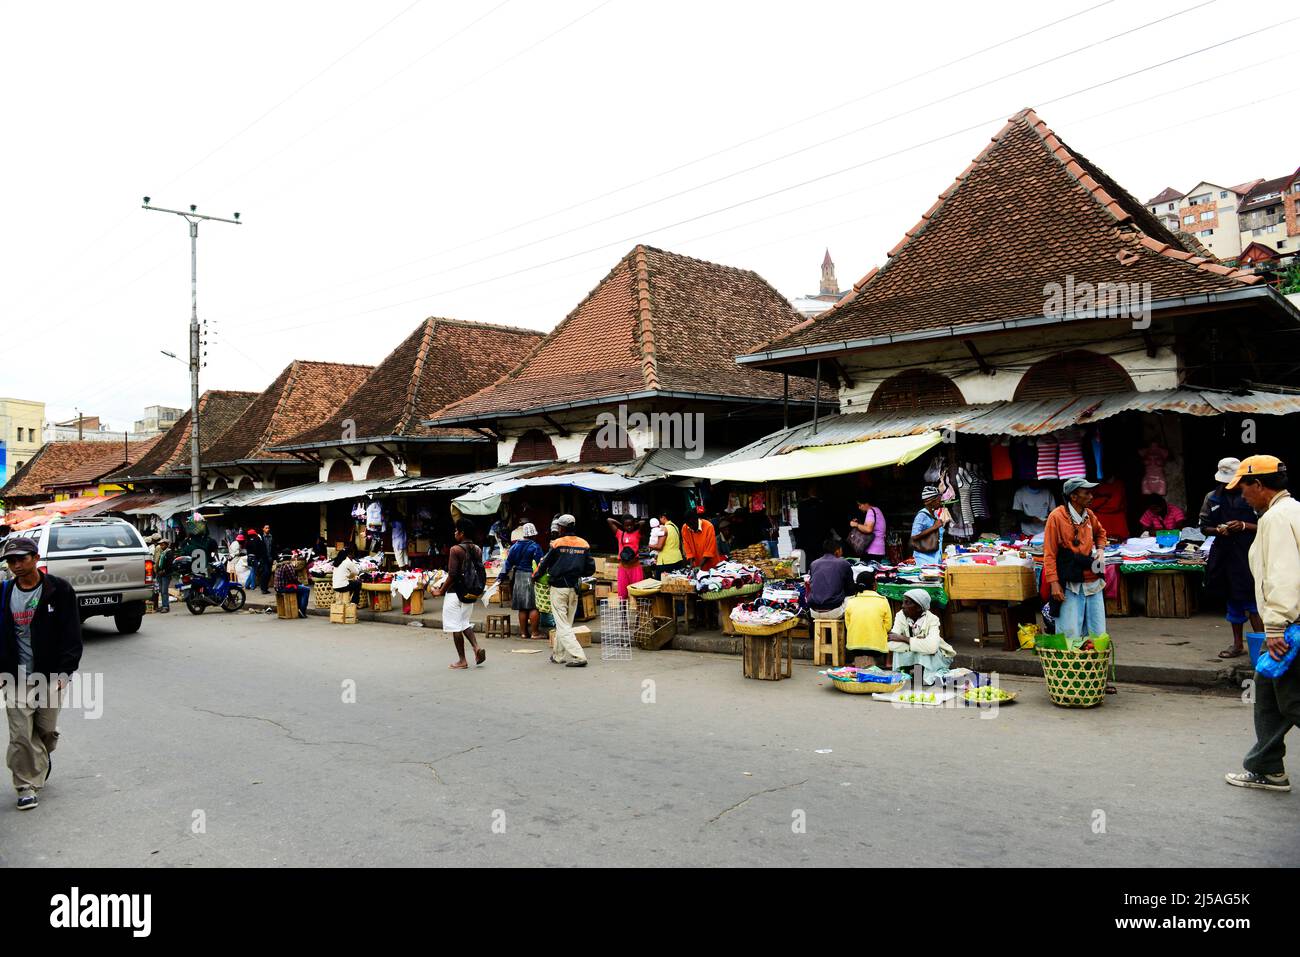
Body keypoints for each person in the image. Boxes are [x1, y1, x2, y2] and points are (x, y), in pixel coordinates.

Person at [1223, 455, 1300, 792]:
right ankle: (1267, 767)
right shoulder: (1291, 511)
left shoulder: (1278, 519)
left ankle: (1266, 767)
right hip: (1290, 622)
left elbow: (1284, 576)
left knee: (1292, 702)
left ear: (1259, 484)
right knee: (1267, 692)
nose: (1242, 496)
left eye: (1244, 489)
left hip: (1290, 626)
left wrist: (1275, 627)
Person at [1, 536, 83, 811]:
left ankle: (41, 758)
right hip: (15, 675)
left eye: (21, 559)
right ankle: (25, 785)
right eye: (11, 561)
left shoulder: (58, 590)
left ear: (36, 558)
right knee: (20, 733)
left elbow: (71, 633)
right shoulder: (3, 594)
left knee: (45, 730)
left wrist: (65, 671)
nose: (16, 565)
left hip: (49, 674)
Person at [1200, 458, 1263, 659]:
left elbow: (1268, 524)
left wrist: (1244, 526)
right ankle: (1237, 645)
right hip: (1225, 554)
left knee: (1254, 602)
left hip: (1249, 553)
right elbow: (1203, 527)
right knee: (1233, 599)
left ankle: (1263, 646)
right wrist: (1218, 530)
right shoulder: (1212, 498)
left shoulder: (1253, 495)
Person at [1043, 477, 1109, 647]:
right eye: (1086, 493)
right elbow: (1049, 553)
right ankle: (1070, 669)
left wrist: (1100, 549)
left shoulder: (1089, 515)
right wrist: (1054, 583)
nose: (1091, 496)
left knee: (1097, 632)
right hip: (1069, 579)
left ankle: (1092, 670)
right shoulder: (1056, 517)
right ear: (1074, 496)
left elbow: (1101, 534)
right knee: (1069, 632)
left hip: (1092, 579)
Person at [533, 514, 594, 668]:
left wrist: (536, 577)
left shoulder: (557, 543)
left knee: (562, 624)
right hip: (574, 588)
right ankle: (558, 655)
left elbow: (544, 564)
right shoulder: (584, 544)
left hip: (559, 588)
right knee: (566, 623)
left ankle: (579, 656)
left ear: (562, 528)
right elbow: (590, 569)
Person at [428, 519, 486, 671]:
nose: (455, 533)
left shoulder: (456, 549)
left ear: (462, 533)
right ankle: (476, 647)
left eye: (456, 531)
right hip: (470, 592)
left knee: (455, 627)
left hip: (455, 593)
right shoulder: (477, 549)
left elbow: (453, 574)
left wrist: (440, 590)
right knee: (464, 622)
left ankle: (462, 660)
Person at [887, 589, 955, 682]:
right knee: (906, 649)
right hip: (918, 653)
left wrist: (903, 638)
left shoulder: (932, 619)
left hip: (937, 657)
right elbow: (891, 644)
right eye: (903, 602)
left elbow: (932, 648)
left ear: (919, 607)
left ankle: (928, 677)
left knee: (928, 650)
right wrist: (919, 642)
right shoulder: (900, 615)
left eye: (907, 603)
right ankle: (903, 676)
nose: (903, 606)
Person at [499, 523, 544, 639]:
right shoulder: (535, 547)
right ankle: (535, 633)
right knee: (534, 606)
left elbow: (507, 564)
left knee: (522, 607)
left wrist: (500, 577)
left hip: (518, 577)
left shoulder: (514, 546)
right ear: (533, 535)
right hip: (531, 577)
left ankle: (524, 633)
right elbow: (540, 564)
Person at [844, 573, 893, 668]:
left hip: (854, 647)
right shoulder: (883, 601)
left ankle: (860, 667)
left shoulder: (850, 601)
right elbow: (888, 626)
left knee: (861, 665)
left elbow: (848, 625)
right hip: (876, 648)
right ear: (874, 585)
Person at [808, 538, 856, 620]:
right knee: (853, 597)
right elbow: (850, 590)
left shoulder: (814, 563)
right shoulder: (843, 563)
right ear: (837, 551)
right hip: (834, 611)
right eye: (841, 550)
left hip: (813, 611)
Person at [605, 515, 646, 600]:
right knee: (622, 594)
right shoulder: (620, 533)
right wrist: (622, 526)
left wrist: (634, 524)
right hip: (623, 568)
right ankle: (622, 613)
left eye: (631, 525)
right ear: (623, 526)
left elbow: (643, 523)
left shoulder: (637, 533)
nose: (629, 527)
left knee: (638, 593)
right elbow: (609, 520)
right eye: (627, 525)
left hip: (635, 567)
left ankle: (638, 611)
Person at [910, 486, 945, 566]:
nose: (940, 502)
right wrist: (934, 527)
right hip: (923, 559)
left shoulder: (935, 514)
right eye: (938, 500)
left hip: (935, 557)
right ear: (931, 502)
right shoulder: (921, 516)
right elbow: (914, 536)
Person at [795, 485, 830, 558]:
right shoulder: (823, 505)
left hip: (806, 537)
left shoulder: (802, 505)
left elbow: (799, 520)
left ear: (809, 492)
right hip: (820, 538)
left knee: (808, 559)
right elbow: (827, 522)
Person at [848, 495, 887, 560]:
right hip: (879, 549)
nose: (859, 507)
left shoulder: (871, 511)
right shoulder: (877, 510)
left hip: (872, 550)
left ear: (866, 504)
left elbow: (868, 529)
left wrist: (856, 525)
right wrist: (859, 524)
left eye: (860, 505)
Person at [650, 509, 684, 577]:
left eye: (660, 518)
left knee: (661, 584)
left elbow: (659, 546)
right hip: (678, 559)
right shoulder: (675, 527)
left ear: (663, 517)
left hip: (666, 562)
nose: (659, 520)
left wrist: (650, 545)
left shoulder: (664, 528)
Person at [156, 538, 175, 613]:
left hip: (166, 574)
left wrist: (163, 571)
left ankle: (166, 606)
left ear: (167, 545)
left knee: (164, 591)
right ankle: (164, 604)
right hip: (160, 574)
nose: (161, 546)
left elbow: (170, 565)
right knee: (161, 590)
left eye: (162, 544)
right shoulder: (163, 552)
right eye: (160, 544)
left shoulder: (169, 553)